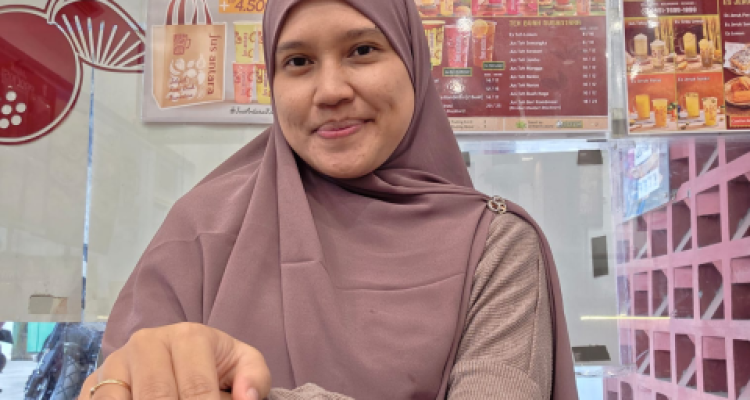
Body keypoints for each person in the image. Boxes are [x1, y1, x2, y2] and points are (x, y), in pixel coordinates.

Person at [81, 0, 578, 399]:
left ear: (412, 63)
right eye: (298, 62)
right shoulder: (200, 228)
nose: (330, 91)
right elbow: (117, 380)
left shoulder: (496, 246)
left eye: (362, 50)